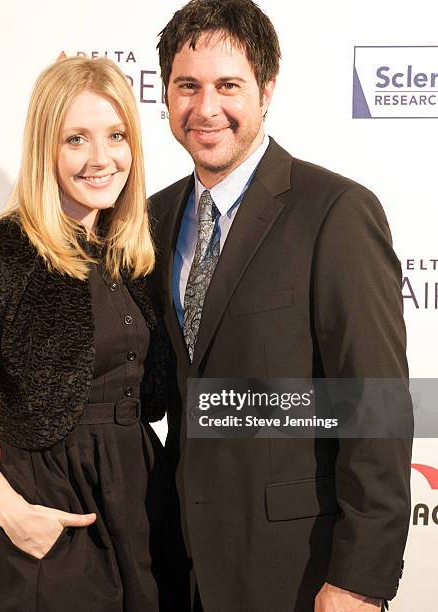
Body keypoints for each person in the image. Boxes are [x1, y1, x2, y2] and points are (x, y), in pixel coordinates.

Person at [148, 1, 413, 611]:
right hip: (176, 566)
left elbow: (375, 408)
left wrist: (360, 581)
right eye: (187, 86)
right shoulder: (155, 217)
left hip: (298, 571)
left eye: (228, 86)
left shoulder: (335, 212)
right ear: (165, 94)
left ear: (266, 90)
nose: (206, 108)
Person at [0, 56, 170, 612]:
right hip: (50, 511)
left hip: (143, 502)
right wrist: (13, 515)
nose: (102, 159)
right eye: (76, 138)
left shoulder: (136, 252)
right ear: (44, 149)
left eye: (116, 135)